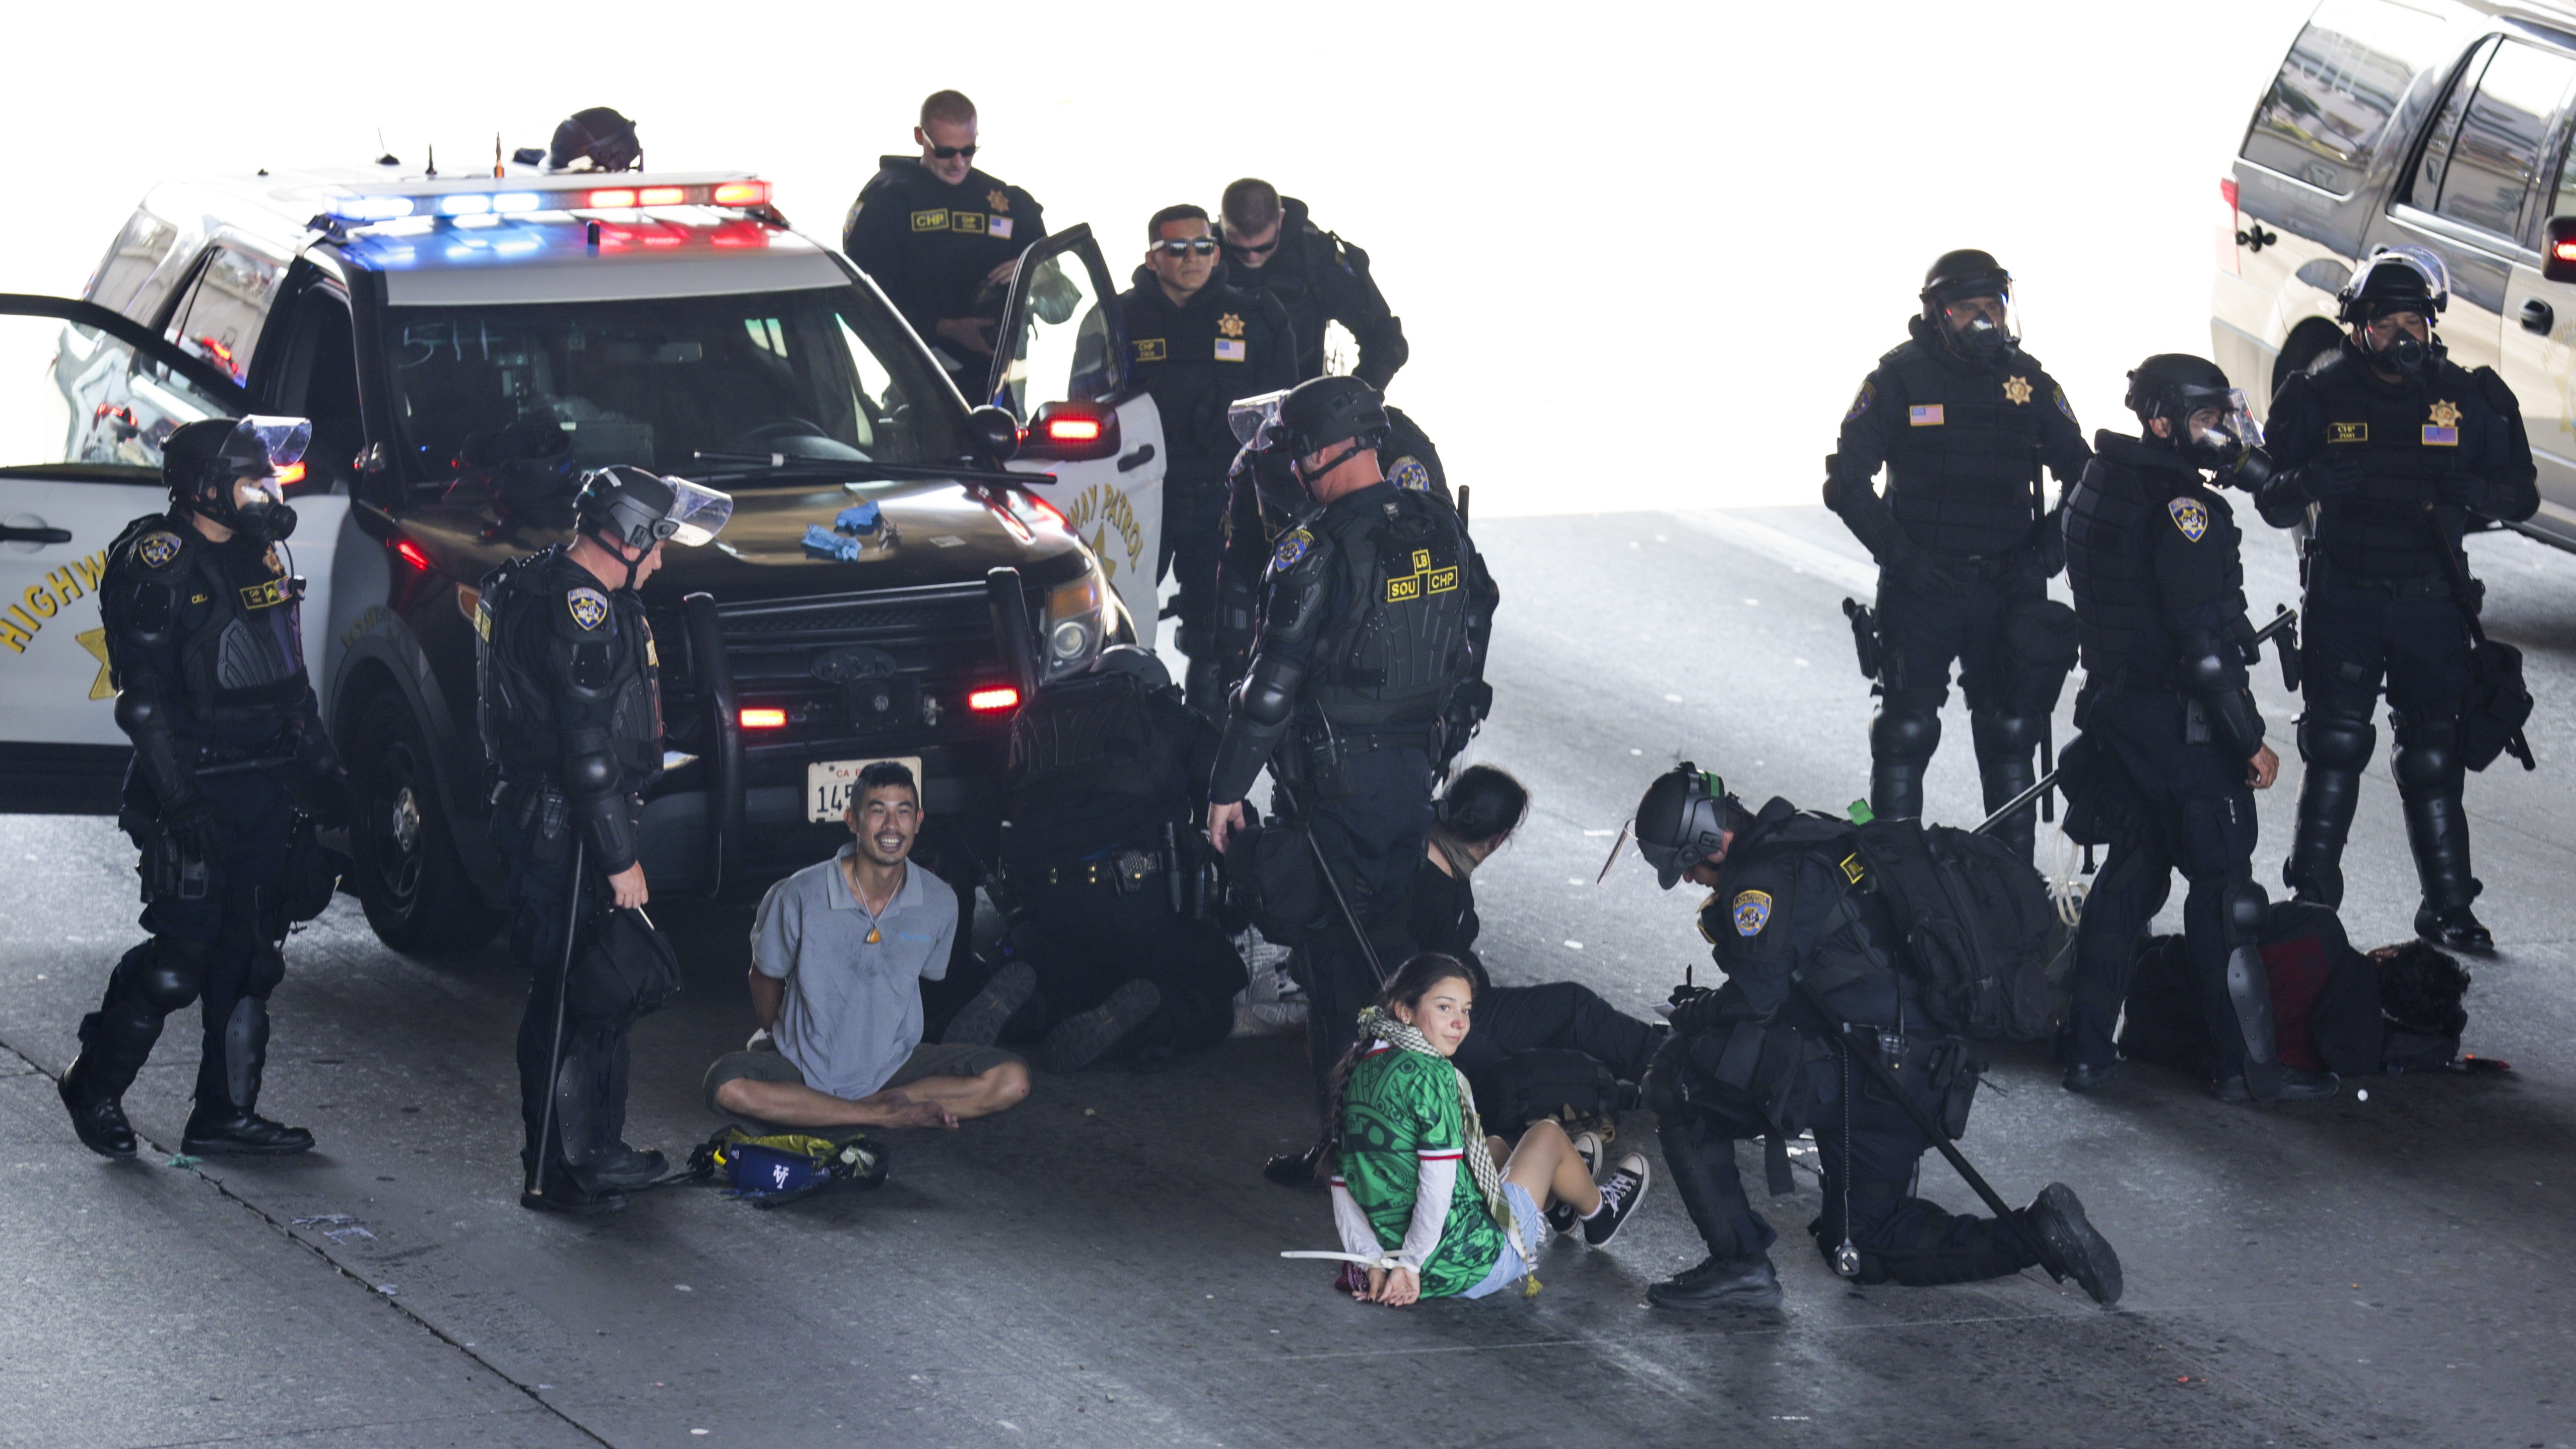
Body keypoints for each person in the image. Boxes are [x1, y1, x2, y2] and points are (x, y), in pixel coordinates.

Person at [1625, 765, 2122, 1310]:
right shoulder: (1812, 836)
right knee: (1864, 1239)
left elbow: (1754, 1000)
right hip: (1917, 1070)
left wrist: (1696, 1013)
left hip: (1865, 1069)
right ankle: (2039, 1233)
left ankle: (1737, 1264)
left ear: (1709, 843)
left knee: (1676, 1080)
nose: (1694, 880)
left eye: (1690, 867)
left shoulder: (1760, 881)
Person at [1202, 376, 1498, 1187]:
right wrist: (1444, 714)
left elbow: (1270, 686)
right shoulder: (1435, 522)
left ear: (1315, 450)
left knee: (1342, 967)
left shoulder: (1317, 545)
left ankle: (1360, 1148)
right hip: (1408, 773)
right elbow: (1478, 613)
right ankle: (1398, 1136)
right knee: (1393, 942)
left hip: (1337, 781)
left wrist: (1226, 787)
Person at [59, 417, 349, 1159]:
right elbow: (144, 701)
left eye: (267, 479)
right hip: (189, 783)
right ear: (204, 488)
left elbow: (289, 682)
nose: (267, 493)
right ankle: (93, 1085)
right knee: (177, 958)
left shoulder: (260, 555)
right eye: (252, 481)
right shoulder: (158, 561)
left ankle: (223, 1114)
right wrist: (179, 801)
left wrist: (322, 777)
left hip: (263, 783)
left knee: (252, 953)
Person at [2059, 355, 2332, 1102]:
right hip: (2176, 724)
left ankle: (2085, 1051)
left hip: (2117, 710)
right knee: (2223, 893)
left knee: (2130, 875)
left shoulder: (2100, 478)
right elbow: (2201, 652)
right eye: (2207, 420)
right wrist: (2248, 739)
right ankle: (2241, 1068)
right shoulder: (2184, 511)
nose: (2222, 435)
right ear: (2162, 421)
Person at [2256, 246, 2538, 952]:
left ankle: (2448, 908)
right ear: (2356, 326)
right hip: (2345, 600)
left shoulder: (2466, 395)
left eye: (2413, 321)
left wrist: (2478, 495)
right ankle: (2312, 898)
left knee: (2433, 756)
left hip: (2430, 604)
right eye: (2385, 324)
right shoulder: (2316, 394)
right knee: (2335, 746)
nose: (2401, 336)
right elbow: (2269, 496)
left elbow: (2522, 493)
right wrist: (2313, 480)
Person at [479, 464, 733, 1214]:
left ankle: (585, 1152)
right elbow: (586, 751)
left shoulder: (542, 583)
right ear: (625, 537)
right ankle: (567, 1164)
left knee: (583, 990)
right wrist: (622, 860)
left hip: (551, 817)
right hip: (568, 830)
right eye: (654, 545)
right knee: (579, 991)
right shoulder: (580, 608)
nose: (660, 561)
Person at [1822, 249, 2091, 859]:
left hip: (2007, 588)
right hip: (1922, 591)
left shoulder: (2028, 383)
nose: (1981, 323)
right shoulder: (1897, 379)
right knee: (1904, 733)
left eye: (1991, 309)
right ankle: (1897, 882)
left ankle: (2011, 891)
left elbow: (2085, 477)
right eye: (1966, 310)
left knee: (2009, 736)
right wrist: (1902, 558)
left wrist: (2043, 556)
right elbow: (1845, 481)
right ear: (1936, 313)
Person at [944, 646, 1248, 1072]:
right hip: (1138, 906)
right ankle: (1146, 1023)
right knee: (1217, 987)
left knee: (1066, 975)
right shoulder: (1164, 711)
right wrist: (1238, 908)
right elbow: (1231, 819)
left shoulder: (1029, 721)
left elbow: (976, 830)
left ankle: (1032, 1008)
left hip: (1046, 911)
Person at [704, 762, 1031, 1135]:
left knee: (1012, 1079)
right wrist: (783, 1037)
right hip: (806, 1064)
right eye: (878, 811)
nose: (892, 825)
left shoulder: (940, 900)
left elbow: (926, 979)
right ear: (852, 820)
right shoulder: (799, 894)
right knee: (726, 1084)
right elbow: (764, 976)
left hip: (893, 1065)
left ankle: (834, 1110)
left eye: (903, 811)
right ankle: (880, 1113)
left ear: (919, 820)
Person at [1326, 953, 1651, 1304]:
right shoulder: (1431, 1077)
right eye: (1445, 1008)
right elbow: (1436, 1185)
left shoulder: (1361, 1067)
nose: (1459, 1023)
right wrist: (1412, 1264)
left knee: (1493, 1146)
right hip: (1472, 1262)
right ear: (1405, 1011)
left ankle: (1561, 1196)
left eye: (1465, 1010)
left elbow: (1342, 1182)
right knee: (1548, 1135)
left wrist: (1374, 1260)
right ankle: (1600, 1213)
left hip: (1408, 1264)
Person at [1115, 205, 1297, 713]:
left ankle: (1206, 756)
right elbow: (1087, 405)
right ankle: (1126, 736)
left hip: (1225, 501)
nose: (1192, 258)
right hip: (1138, 499)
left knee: (1221, 639)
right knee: (1116, 627)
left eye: (1203, 247)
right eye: (1176, 249)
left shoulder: (1258, 319)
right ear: (1153, 259)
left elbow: (1283, 418)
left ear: (1216, 252)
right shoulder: (1119, 319)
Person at [1409, 765, 1665, 1108]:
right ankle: (1671, 1069)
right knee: (1573, 1009)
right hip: (1459, 1018)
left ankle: (1657, 1058)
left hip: (1455, 1002)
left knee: (1568, 1019)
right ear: (1499, 839)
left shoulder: (1420, 848)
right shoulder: (1438, 889)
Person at [843, 90, 1048, 396]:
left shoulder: (1005, 202)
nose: (957, 163)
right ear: (919, 137)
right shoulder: (887, 204)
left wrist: (1033, 271)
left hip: (1004, 384)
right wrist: (946, 328)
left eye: (968, 151)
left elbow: (1060, 305)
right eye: (944, 152)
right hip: (921, 384)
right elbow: (863, 303)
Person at [1216, 178, 1406, 393]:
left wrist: (1351, 401)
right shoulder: (1200, 252)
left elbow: (1386, 340)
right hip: (1211, 408)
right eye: (1240, 249)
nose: (1251, 257)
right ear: (1222, 223)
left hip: (1294, 409)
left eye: (1263, 247)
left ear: (1280, 220)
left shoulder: (1315, 257)